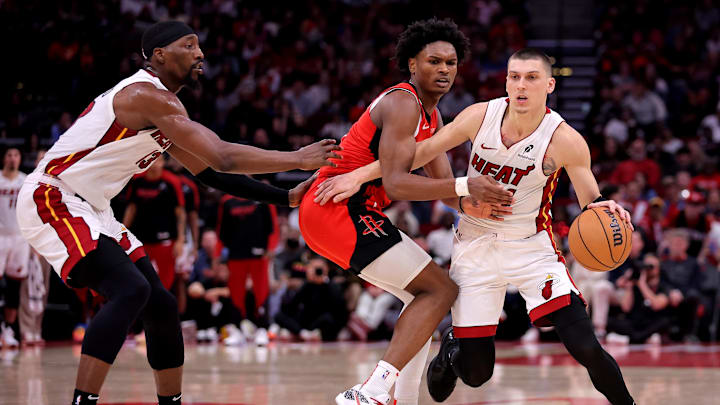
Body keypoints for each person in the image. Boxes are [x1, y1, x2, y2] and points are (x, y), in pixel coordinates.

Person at [15, 21, 338, 405]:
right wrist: (297, 158)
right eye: (190, 46)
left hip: (92, 208)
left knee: (162, 306)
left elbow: (211, 172)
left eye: (199, 46)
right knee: (130, 290)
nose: (201, 54)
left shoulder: (166, 110)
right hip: (53, 195)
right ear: (159, 55)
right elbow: (223, 154)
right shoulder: (146, 96)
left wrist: (283, 198)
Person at [316, 49, 637, 404]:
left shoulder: (564, 140)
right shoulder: (480, 116)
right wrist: (359, 175)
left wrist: (600, 206)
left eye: (531, 78)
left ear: (549, 84)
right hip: (474, 246)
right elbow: (418, 154)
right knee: (477, 374)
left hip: (531, 248)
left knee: (585, 345)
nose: (521, 85)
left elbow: (588, 197)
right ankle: (452, 351)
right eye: (514, 76)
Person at [300, 18, 513, 405]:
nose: (444, 69)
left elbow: (448, 192)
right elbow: (398, 184)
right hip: (336, 208)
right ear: (413, 64)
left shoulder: (433, 119)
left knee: (425, 303)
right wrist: (466, 186)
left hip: (350, 210)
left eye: (451, 62)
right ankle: (372, 391)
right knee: (440, 289)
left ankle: (399, 399)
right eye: (434, 61)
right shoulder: (402, 102)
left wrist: (486, 207)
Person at [123, 154, 186, 290]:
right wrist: (123, 231)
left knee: (166, 279)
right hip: (140, 238)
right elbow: (131, 208)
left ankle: (162, 308)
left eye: (158, 160)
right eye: (152, 160)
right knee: (139, 276)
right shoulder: (137, 180)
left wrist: (180, 240)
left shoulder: (172, 181)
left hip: (165, 239)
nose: (155, 163)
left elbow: (180, 213)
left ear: (163, 162)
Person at [0, 148, 29, 347]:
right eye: (9, 154)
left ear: (20, 159)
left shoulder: (25, 181)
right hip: (1, 236)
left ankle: (8, 330)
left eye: (16, 155)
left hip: (20, 237)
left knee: (14, 287)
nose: (12, 158)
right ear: (4, 158)